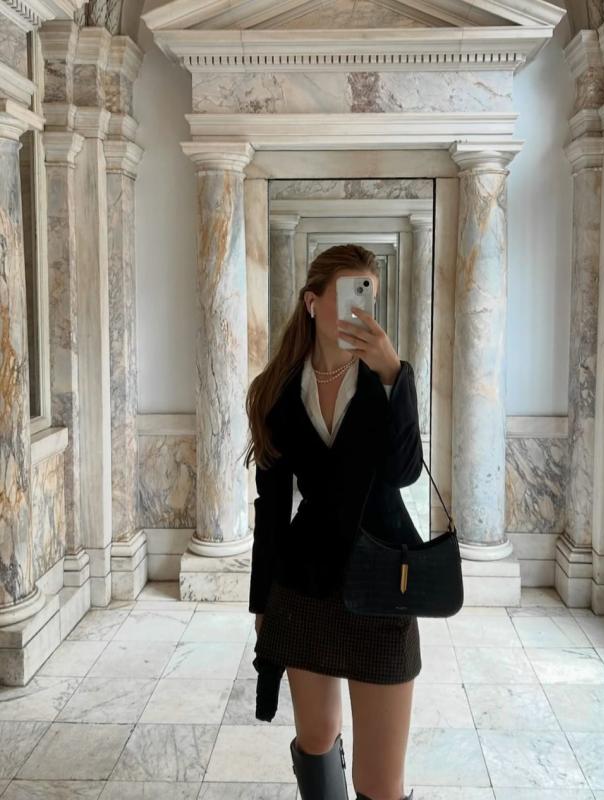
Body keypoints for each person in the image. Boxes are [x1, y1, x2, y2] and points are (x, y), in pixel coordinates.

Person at [243, 243, 422, 800]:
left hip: (381, 587)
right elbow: (271, 508)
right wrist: (262, 602)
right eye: (348, 293)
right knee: (317, 737)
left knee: (379, 780)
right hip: (305, 584)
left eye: (368, 296)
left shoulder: (383, 380)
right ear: (313, 302)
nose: (358, 308)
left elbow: (404, 473)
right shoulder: (276, 390)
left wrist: (393, 375)